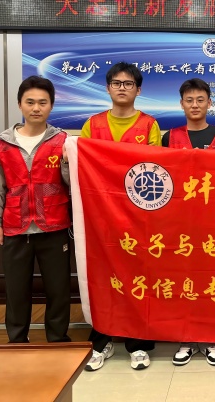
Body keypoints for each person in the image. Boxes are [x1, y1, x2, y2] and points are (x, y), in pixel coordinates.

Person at [81, 61, 161, 372]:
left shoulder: (149, 125)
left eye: (129, 83)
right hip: (101, 215)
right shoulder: (93, 124)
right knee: (103, 279)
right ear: (108, 88)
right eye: (117, 83)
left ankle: (137, 343)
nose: (122, 88)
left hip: (138, 216)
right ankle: (102, 341)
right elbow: (83, 164)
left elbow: (156, 170)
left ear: (138, 90)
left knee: (138, 277)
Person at [0, 75, 72, 345]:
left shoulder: (63, 141)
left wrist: (67, 163)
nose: (36, 108)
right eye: (30, 102)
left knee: (58, 289)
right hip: (15, 226)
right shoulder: (2, 143)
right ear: (20, 105)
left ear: (51, 105)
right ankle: (17, 339)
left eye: (42, 102)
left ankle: (57, 337)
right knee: (16, 290)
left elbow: (73, 184)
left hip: (54, 226)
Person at [162, 77, 215, 366]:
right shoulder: (168, 138)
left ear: (209, 103)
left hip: (214, 223)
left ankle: (211, 337)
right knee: (183, 280)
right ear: (181, 104)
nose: (195, 105)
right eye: (189, 100)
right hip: (179, 223)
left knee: (212, 280)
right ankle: (186, 338)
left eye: (200, 100)